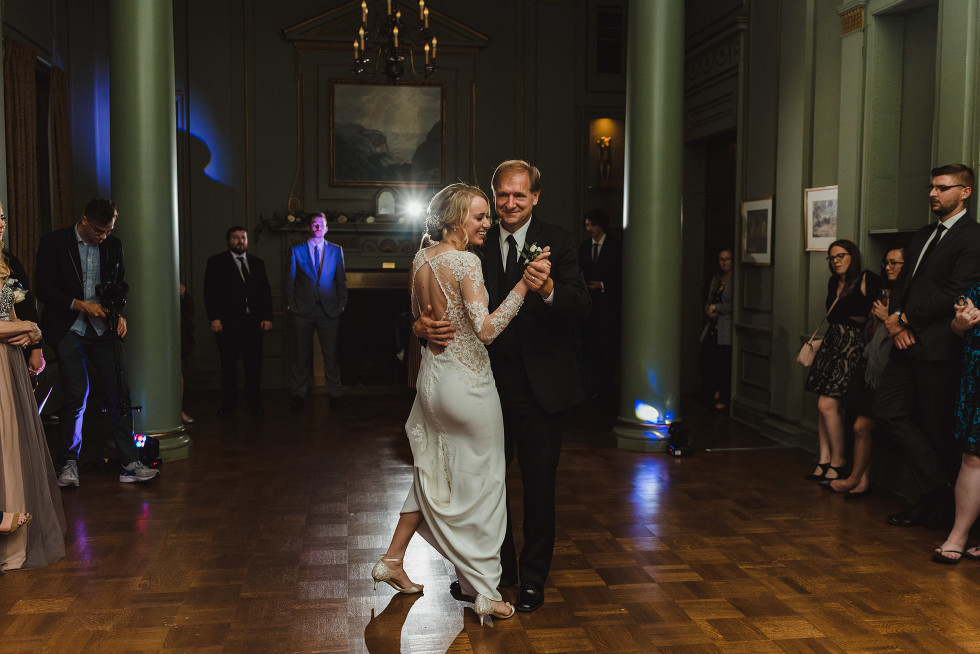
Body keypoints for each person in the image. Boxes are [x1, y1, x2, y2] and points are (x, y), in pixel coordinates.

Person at [417, 160, 591, 612]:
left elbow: (581, 305)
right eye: (502, 196)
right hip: (483, 388)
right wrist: (420, 326)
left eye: (519, 195)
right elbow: (437, 301)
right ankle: (494, 573)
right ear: (493, 198)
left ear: (535, 197)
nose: (509, 204)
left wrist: (549, 285)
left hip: (542, 391)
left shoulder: (559, 240)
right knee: (483, 485)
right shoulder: (470, 239)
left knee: (537, 489)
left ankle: (532, 578)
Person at [373, 183, 548, 624]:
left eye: (487, 216)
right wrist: (524, 288)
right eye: (479, 216)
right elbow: (486, 330)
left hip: (433, 386)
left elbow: (420, 319)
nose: (488, 223)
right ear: (455, 220)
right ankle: (486, 592)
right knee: (486, 487)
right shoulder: (465, 260)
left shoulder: (422, 258)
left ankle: (393, 559)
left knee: (434, 469)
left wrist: (419, 328)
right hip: (469, 387)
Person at [874, 164, 980, 529]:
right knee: (887, 412)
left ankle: (938, 507)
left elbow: (954, 292)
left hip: (939, 350)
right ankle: (939, 490)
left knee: (937, 430)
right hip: (904, 344)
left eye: (942, 187)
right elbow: (903, 283)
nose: (933, 193)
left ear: (964, 192)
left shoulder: (973, 236)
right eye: (932, 187)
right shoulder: (922, 235)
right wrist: (897, 319)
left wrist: (904, 320)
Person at [35, 198, 159, 486]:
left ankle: (129, 463)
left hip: (104, 331)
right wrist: (81, 305)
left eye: (109, 231)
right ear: (85, 220)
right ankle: (68, 465)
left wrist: (120, 314)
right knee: (77, 395)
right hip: (69, 329)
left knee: (121, 393)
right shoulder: (54, 243)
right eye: (100, 231)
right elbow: (44, 290)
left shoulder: (114, 246)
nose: (104, 237)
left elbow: (119, 287)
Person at [0, 206, 67, 570]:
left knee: (12, 444)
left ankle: (15, 545)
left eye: (3, 218)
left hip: (8, 365)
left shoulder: (6, 268)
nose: (0, 224)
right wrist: (27, 330)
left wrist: (29, 334)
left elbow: (11, 316)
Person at [828, 249, 906, 498]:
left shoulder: (910, 294)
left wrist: (887, 318)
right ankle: (861, 480)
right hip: (870, 368)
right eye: (886, 262)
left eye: (894, 262)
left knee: (862, 426)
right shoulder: (883, 291)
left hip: (892, 374)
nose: (888, 267)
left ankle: (854, 478)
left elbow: (907, 335)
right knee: (860, 426)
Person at [804, 239, 879, 483]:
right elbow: (833, 316)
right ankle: (824, 459)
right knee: (821, 405)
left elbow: (880, 311)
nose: (836, 261)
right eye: (832, 257)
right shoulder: (833, 282)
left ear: (852, 256)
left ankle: (839, 461)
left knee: (828, 405)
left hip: (852, 347)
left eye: (841, 256)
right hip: (832, 344)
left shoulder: (867, 279)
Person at [204, 226, 273, 417]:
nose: (240, 241)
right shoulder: (216, 262)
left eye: (243, 237)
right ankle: (228, 404)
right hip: (227, 324)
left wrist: (267, 317)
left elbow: (265, 292)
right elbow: (210, 293)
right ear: (228, 241)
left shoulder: (257, 263)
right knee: (228, 366)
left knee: (254, 366)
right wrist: (214, 318)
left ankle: (255, 403)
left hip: (254, 324)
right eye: (236, 238)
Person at [932, 293, 980, 562]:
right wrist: (963, 321)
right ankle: (957, 536)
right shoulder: (978, 284)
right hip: (975, 376)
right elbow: (956, 328)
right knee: (972, 456)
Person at [286, 213, 348, 411]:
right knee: (301, 355)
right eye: (314, 224)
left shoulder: (336, 251)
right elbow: (290, 281)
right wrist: (291, 305)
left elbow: (341, 281)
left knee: (331, 355)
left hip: (329, 311)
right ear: (308, 227)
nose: (317, 228)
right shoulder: (297, 251)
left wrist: (341, 304)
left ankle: (335, 395)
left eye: (321, 225)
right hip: (302, 312)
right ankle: (298, 395)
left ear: (326, 228)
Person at [578, 209, 621, 400]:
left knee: (608, 349)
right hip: (589, 307)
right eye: (586, 225)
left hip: (609, 306)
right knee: (590, 349)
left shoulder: (615, 247)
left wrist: (603, 285)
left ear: (600, 225)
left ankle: (607, 390)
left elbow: (623, 276)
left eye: (591, 225)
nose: (589, 229)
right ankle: (591, 388)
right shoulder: (584, 247)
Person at [700, 247, 734, 412]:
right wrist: (708, 309)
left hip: (726, 329)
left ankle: (723, 396)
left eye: (727, 259)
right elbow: (709, 300)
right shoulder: (716, 278)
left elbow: (735, 305)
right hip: (712, 327)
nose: (724, 262)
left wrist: (717, 308)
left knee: (724, 364)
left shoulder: (735, 278)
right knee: (710, 361)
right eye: (721, 259)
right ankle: (712, 392)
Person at [180, 283, 195, 424]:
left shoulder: (179, 289)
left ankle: (178, 410)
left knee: (179, 374)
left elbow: (190, 310)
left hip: (179, 337)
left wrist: (184, 295)